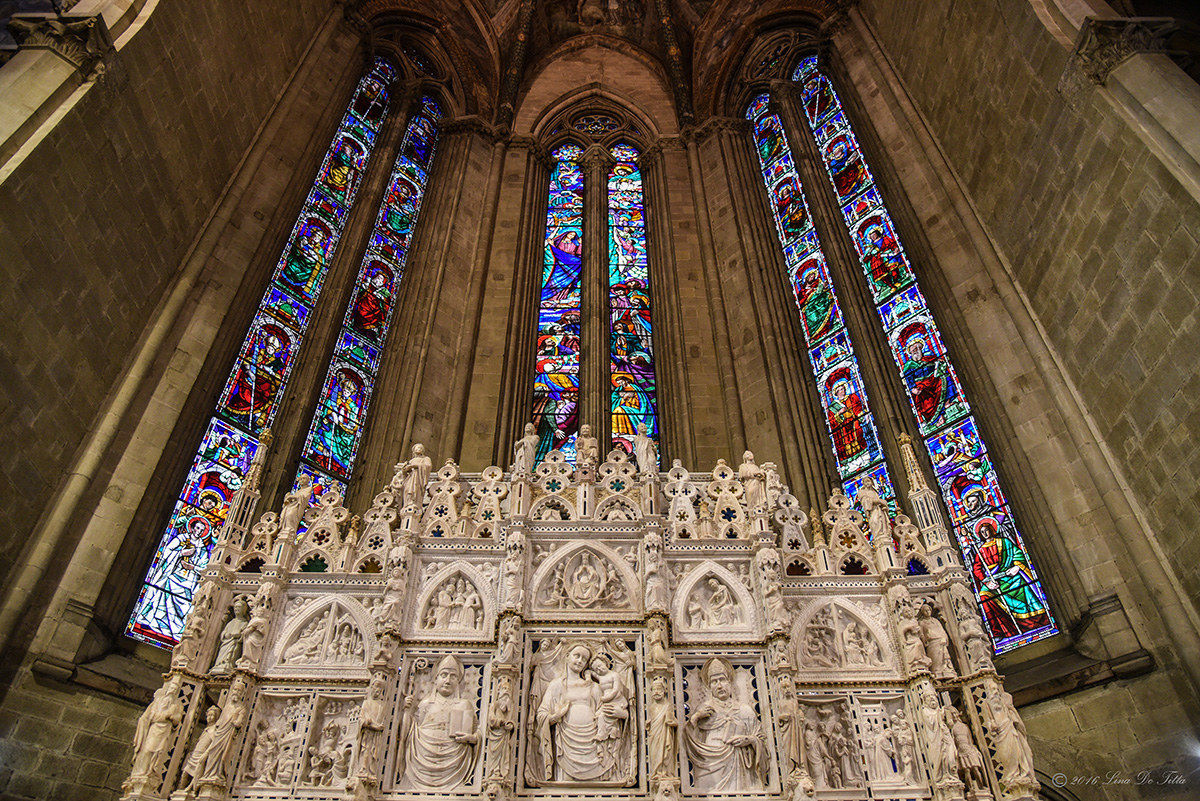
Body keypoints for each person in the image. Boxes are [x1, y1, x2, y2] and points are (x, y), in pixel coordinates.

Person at [683, 658, 766, 792]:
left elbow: (761, 738)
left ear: (730, 682)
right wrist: (696, 718)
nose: (719, 685)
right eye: (714, 682)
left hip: (739, 767)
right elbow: (688, 741)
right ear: (709, 686)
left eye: (722, 680)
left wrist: (749, 740)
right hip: (710, 767)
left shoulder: (745, 710)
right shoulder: (703, 709)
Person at [400, 656, 478, 789]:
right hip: (422, 757)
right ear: (435, 679)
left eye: (453, 676)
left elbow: (479, 733)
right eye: (444, 675)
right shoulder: (425, 704)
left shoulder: (464, 705)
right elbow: (410, 732)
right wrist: (407, 711)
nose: (448, 680)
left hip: (454, 761)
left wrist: (472, 738)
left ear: (458, 681)